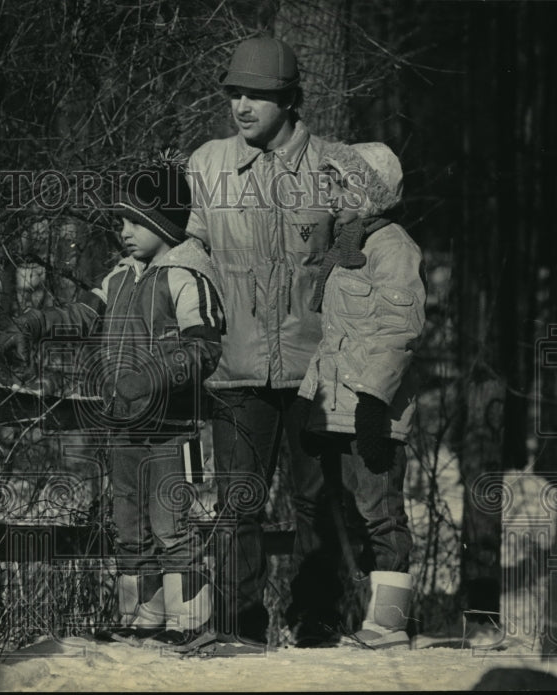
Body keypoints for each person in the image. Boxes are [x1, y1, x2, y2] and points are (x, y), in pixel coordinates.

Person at [0, 165, 226, 646]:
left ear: (164, 224)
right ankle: (144, 618)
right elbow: (82, 314)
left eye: (135, 222)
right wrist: (33, 324)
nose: (124, 232)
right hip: (124, 426)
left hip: (175, 428)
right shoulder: (121, 276)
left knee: (171, 525)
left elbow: (204, 348)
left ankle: (190, 623)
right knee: (129, 526)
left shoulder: (188, 275)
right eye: (121, 222)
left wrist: (151, 376)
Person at [180, 36, 338, 653]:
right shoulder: (208, 163)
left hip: (315, 368)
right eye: (235, 93)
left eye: (258, 95)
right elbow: (189, 246)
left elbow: (359, 261)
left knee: (317, 502)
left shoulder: (331, 167)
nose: (242, 105)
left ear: (289, 99)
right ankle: (236, 628)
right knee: (238, 503)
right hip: (238, 366)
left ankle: (317, 622)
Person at [294, 141, 426, 649]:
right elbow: (335, 341)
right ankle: (367, 619)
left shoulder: (393, 246)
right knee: (347, 515)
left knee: (381, 515)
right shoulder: (346, 247)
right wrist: (312, 402)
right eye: (328, 183)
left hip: (373, 413)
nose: (331, 194)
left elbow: (400, 332)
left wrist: (373, 401)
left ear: (368, 192)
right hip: (337, 413)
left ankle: (391, 623)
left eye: (341, 184)